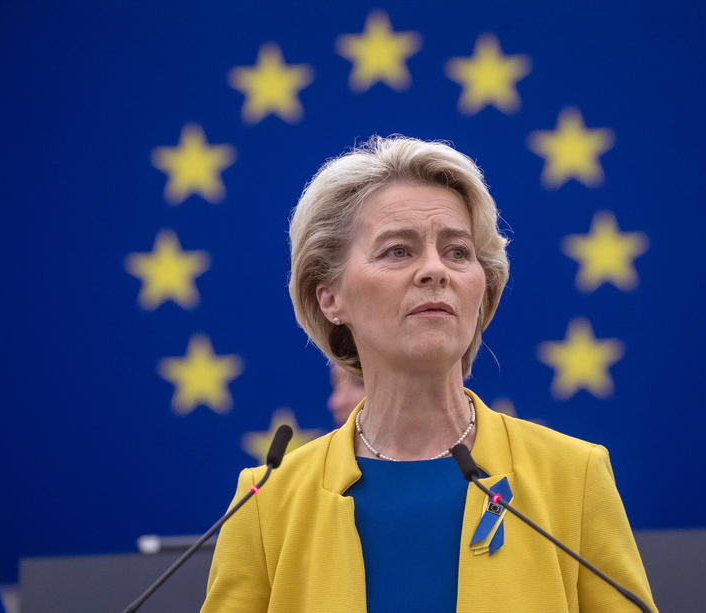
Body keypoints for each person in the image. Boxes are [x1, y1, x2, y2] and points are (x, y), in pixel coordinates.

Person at [200, 136, 657, 612]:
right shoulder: (265, 502)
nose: (435, 270)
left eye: (458, 252)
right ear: (329, 297)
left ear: (483, 288)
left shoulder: (573, 476)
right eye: (398, 251)